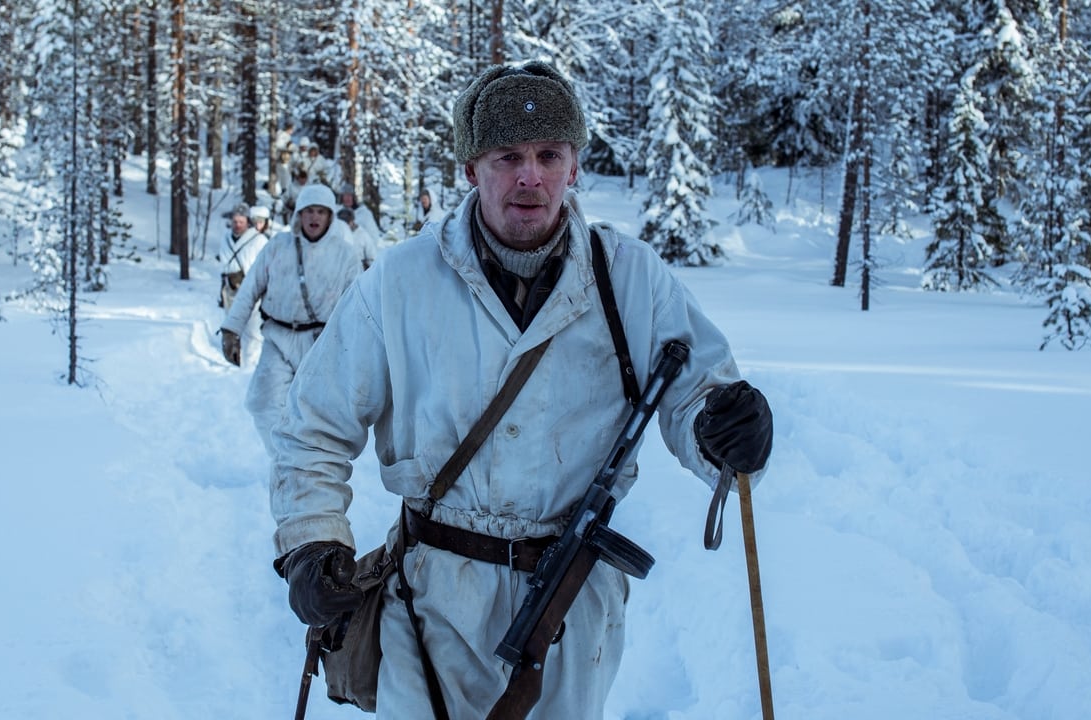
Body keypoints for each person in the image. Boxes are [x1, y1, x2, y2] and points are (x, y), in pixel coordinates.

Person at [268, 61, 773, 719]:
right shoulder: (399, 283)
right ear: (471, 168)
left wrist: (724, 429)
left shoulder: (632, 280)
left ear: (574, 165)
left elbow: (697, 392)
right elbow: (315, 424)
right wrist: (311, 538)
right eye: (508, 156)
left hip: (573, 601)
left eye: (549, 154)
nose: (530, 176)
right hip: (432, 596)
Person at [220, 184, 365, 452]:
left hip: (322, 343)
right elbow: (250, 287)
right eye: (309, 210)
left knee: (319, 413)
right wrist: (232, 329)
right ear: (298, 213)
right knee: (261, 402)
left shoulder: (345, 254)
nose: (314, 217)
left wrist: (355, 350)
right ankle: (283, 458)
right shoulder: (278, 246)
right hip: (278, 338)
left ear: (330, 216)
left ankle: (310, 462)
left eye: (321, 211)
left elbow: (357, 306)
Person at [218, 203, 268, 310]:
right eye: (235, 221)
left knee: (251, 324)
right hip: (229, 289)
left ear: (247, 222)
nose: (238, 225)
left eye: (241, 222)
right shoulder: (225, 238)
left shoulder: (258, 240)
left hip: (251, 290)